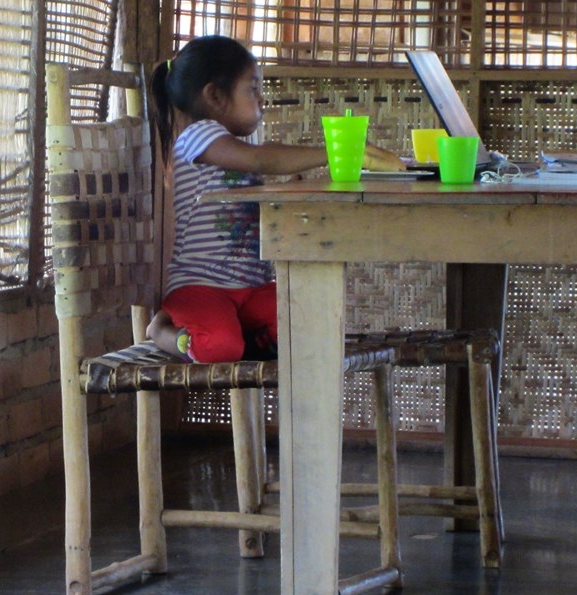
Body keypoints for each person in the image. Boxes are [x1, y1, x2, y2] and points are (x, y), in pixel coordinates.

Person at [145, 35, 403, 363]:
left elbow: (252, 181)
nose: (262, 101)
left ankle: (243, 339)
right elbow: (259, 159)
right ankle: (164, 330)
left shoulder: (235, 147)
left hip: (251, 287)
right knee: (221, 347)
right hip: (200, 286)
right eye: (252, 89)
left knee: (309, 324)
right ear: (214, 95)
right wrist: (330, 153)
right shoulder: (196, 135)